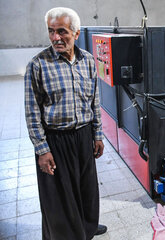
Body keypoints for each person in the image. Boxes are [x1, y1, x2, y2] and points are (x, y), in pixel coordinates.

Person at [24, 7, 107, 239]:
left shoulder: (88, 61)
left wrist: (97, 135)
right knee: (59, 195)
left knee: (86, 189)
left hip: (83, 135)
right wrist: (42, 149)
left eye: (62, 31)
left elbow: (94, 101)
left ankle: (86, 227)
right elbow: (31, 112)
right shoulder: (38, 65)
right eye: (51, 31)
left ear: (76, 33)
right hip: (55, 139)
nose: (55, 38)